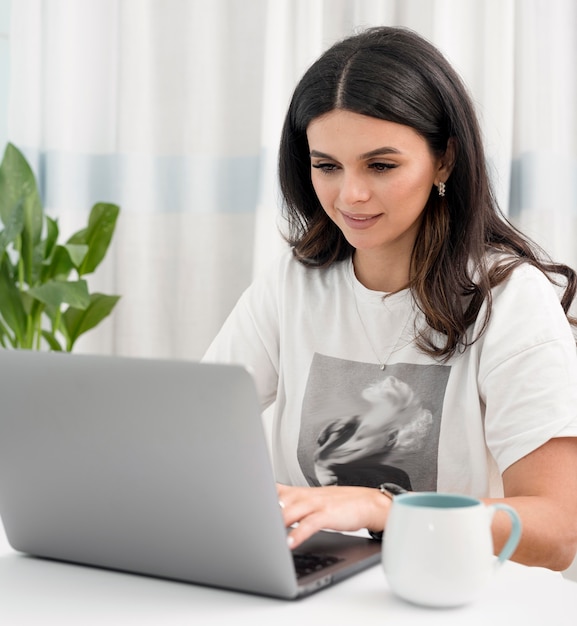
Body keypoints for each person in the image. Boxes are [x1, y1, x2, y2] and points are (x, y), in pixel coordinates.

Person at [203, 26, 577, 571]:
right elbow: (194, 430)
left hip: (451, 592)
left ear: (444, 161)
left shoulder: (510, 299)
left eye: (381, 166)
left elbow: (560, 527)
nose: (349, 194)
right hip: (319, 582)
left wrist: (384, 508)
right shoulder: (292, 283)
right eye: (326, 166)